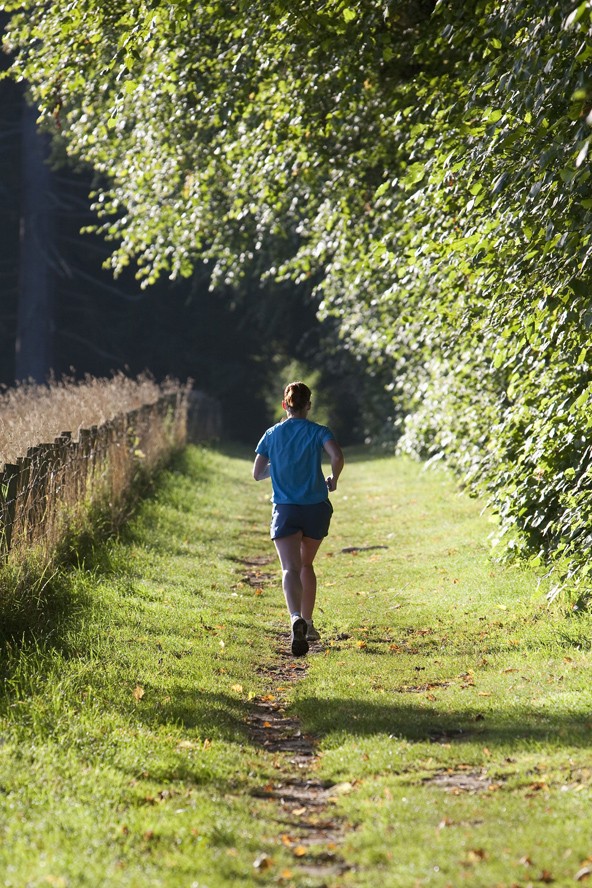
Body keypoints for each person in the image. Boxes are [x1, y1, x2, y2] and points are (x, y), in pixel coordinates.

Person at [252, 381, 345, 656]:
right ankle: (310, 623)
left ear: (285, 405)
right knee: (307, 565)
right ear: (308, 406)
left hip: (286, 510)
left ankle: (295, 618)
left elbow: (257, 473)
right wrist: (334, 479)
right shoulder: (319, 431)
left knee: (290, 569)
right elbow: (337, 456)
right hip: (315, 507)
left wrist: (278, 467)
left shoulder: (271, 434)